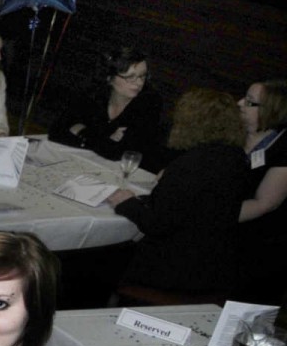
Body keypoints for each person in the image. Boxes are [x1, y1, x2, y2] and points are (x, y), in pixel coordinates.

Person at [103, 89, 250, 304]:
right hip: (212, 268)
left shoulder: (190, 165)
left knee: (107, 261)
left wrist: (125, 203)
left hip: (172, 273)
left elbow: (157, 224)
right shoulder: (235, 158)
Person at [49, 46, 164, 164]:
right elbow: (56, 132)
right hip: (83, 162)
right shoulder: (94, 94)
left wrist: (81, 131)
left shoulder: (149, 103)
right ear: (110, 78)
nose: (139, 83)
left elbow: (120, 153)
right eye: (130, 77)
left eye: (142, 76)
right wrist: (102, 139)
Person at [235, 79, 287, 303]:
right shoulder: (232, 133)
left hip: (258, 251)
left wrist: (209, 216)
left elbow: (266, 203)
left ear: (272, 111)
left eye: (250, 102)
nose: (239, 104)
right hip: (222, 239)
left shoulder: (283, 148)